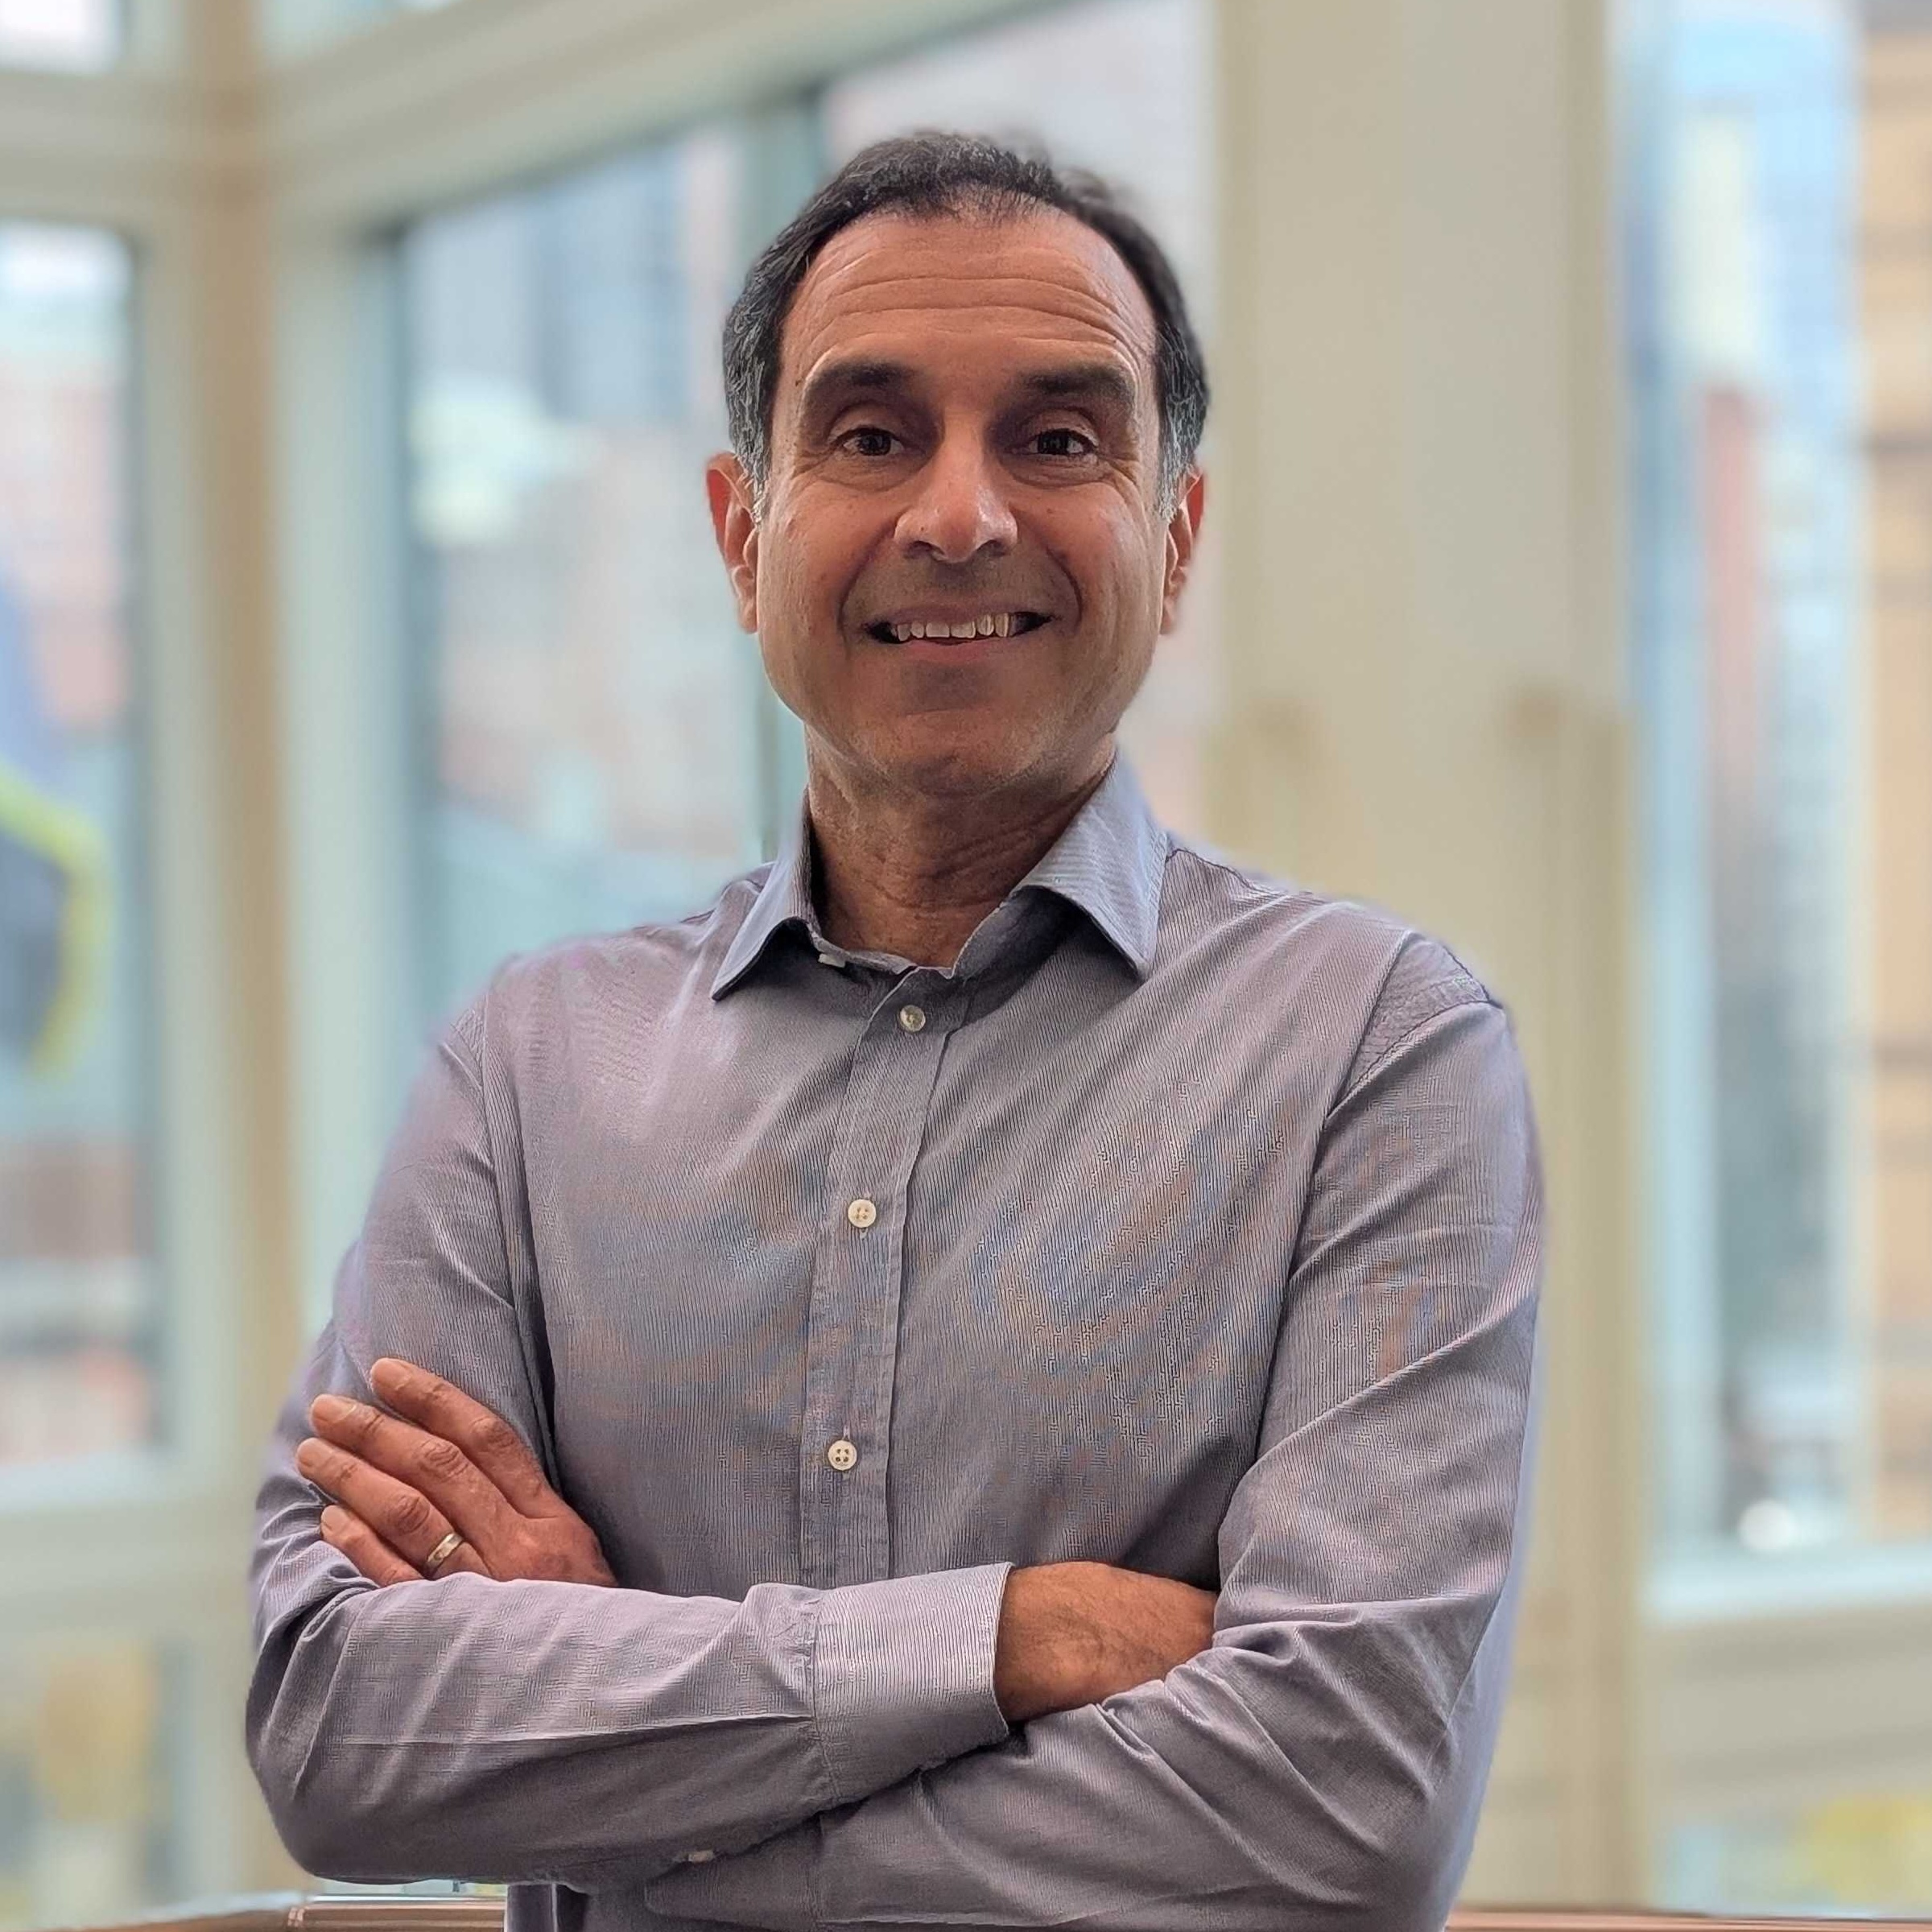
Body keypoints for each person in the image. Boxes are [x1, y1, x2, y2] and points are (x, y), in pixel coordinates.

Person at [248, 133, 1541, 1932]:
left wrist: (624, 1738)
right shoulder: (529, 1071)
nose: (959, 515)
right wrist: (1017, 1636)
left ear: (1172, 542)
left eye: (1058, 437)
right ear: (739, 531)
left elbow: (1343, 1812)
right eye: (869, 436)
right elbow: (337, 1733)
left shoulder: (1380, 1053)